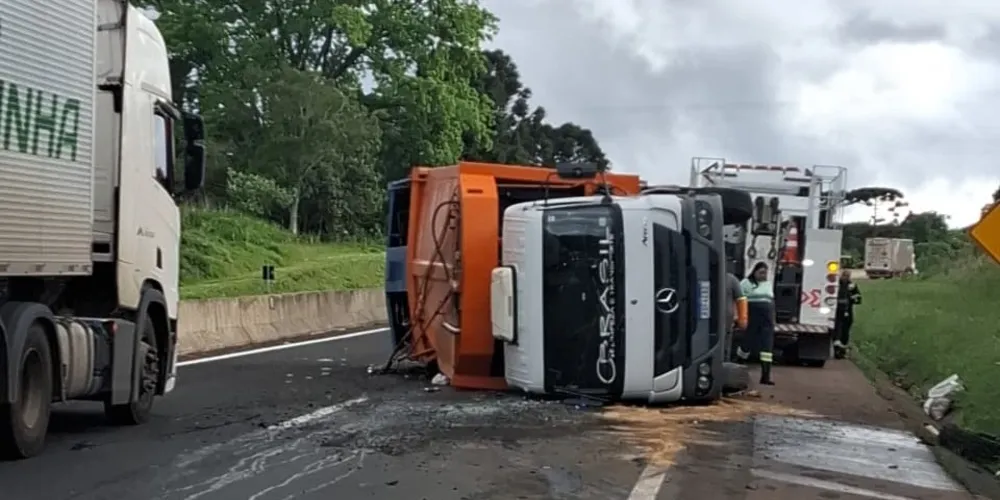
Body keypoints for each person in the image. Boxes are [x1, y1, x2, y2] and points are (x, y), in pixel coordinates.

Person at [737, 262, 776, 385]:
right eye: (761, 272)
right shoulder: (745, 283)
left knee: (767, 348)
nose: (763, 275)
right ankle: (738, 367)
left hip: (767, 319)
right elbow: (740, 300)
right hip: (752, 317)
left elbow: (771, 301)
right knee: (747, 344)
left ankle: (765, 376)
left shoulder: (768, 284)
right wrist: (740, 317)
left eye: (765, 273)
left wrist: (773, 318)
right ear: (754, 272)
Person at [834, 270, 862, 358]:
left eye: (847, 276)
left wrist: (854, 299)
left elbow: (858, 297)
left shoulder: (851, 285)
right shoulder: (836, 284)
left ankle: (841, 349)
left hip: (846, 310)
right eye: (845, 275)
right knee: (838, 327)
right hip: (838, 310)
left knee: (845, 328)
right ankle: (837, 346)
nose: (846, 277)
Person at [725, 265, 748, 361]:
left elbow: (741, 299)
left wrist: (742, 319)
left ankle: (725, 361)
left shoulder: (731, 279)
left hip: (726, 320)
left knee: (726, 345)